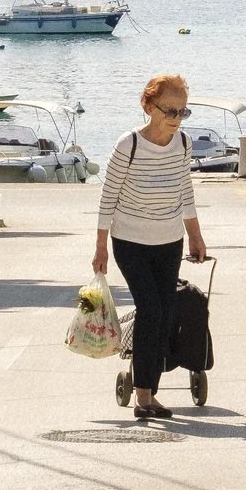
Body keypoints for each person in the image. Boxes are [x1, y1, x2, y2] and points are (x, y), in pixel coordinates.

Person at [93, 72, 208, 420]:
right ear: (148, 107)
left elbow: (185, 191)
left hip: (168, 241)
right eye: (169, 111)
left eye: (182, 111)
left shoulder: (182, 144)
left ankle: (149, 390)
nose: (176, 118)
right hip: (130, 242)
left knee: (165, 313)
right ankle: (143, 394)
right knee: (151, 309)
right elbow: (108, 197)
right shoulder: (128, 145)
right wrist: (100, 247)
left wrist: (195, 235)